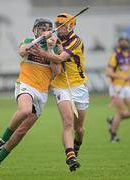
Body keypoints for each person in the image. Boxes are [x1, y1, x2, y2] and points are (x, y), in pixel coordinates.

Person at [0, 18, 60, 176]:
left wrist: (50, 50)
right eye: (42, 29)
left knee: (21, 131)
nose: (45, 31)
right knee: (25, 110)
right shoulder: (28, 41)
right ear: (35, 30)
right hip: (26, 84)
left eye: (48, 29)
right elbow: (22, 51)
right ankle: (1, 140)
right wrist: (41, 39)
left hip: (42, 92)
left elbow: (56, 72)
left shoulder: (53, 47)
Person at [30, 13, 89, 171]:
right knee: (68, 122)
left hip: (78, 86)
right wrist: (45, 39)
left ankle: (76, 146)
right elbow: (35, 42)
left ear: (71, 26)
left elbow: (60, 58)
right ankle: (70, 157)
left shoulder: (76, 40)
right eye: (58, 25)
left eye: (63, 25)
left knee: (80, 129)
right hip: (60, 86)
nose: (59, 28)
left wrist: (43, 52)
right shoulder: (53, 38)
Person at [106, 33, 130, 143]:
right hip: (116, 86)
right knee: (121, 111)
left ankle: (113, 120)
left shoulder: (129, 55)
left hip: (127, 86)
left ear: (128, 42)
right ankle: (113, 136)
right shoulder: (114, 56)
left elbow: (128, 72)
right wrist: (121, 76)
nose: (124, 42)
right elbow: (109, 72)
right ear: (119, 42)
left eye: (126, 40)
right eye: (122, 40)